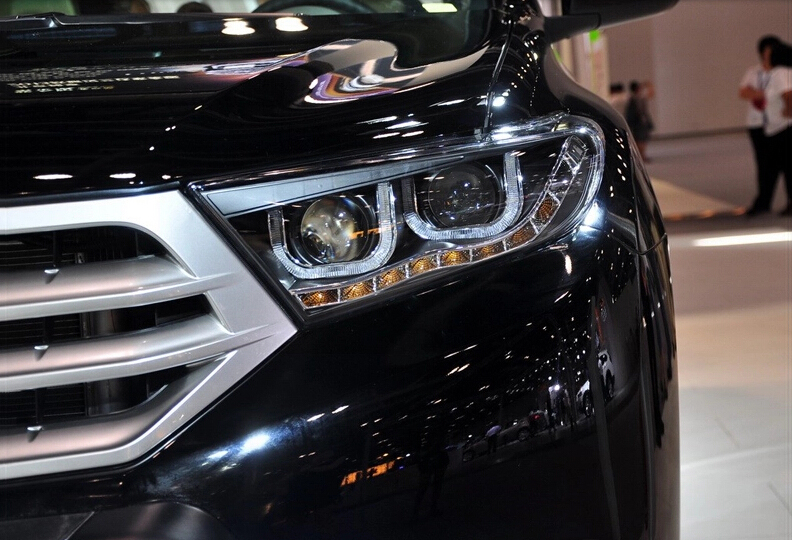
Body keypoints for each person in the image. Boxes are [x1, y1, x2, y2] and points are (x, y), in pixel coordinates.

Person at [741, 36, 781, 216]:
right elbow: (743, 91)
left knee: (783, 162)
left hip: (779, 123)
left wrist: (758, 93)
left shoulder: (783, 71)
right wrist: (766, 94)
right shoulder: (754, 72)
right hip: (757, 123)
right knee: (763, 164)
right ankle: (763, 200)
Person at [761, 44, 792, 216]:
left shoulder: (780, 73)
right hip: (779, 127)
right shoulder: (784, 72)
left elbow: (788, 94)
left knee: (785, 167)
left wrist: (789, 110)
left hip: (782, 127)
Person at [625, 80, 654, 161]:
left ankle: (642, 155)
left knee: (642, 139)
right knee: (639, 139)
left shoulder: (638, 98)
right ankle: (641, 156)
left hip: (641, 122)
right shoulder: (633, 99)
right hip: (637, 122)